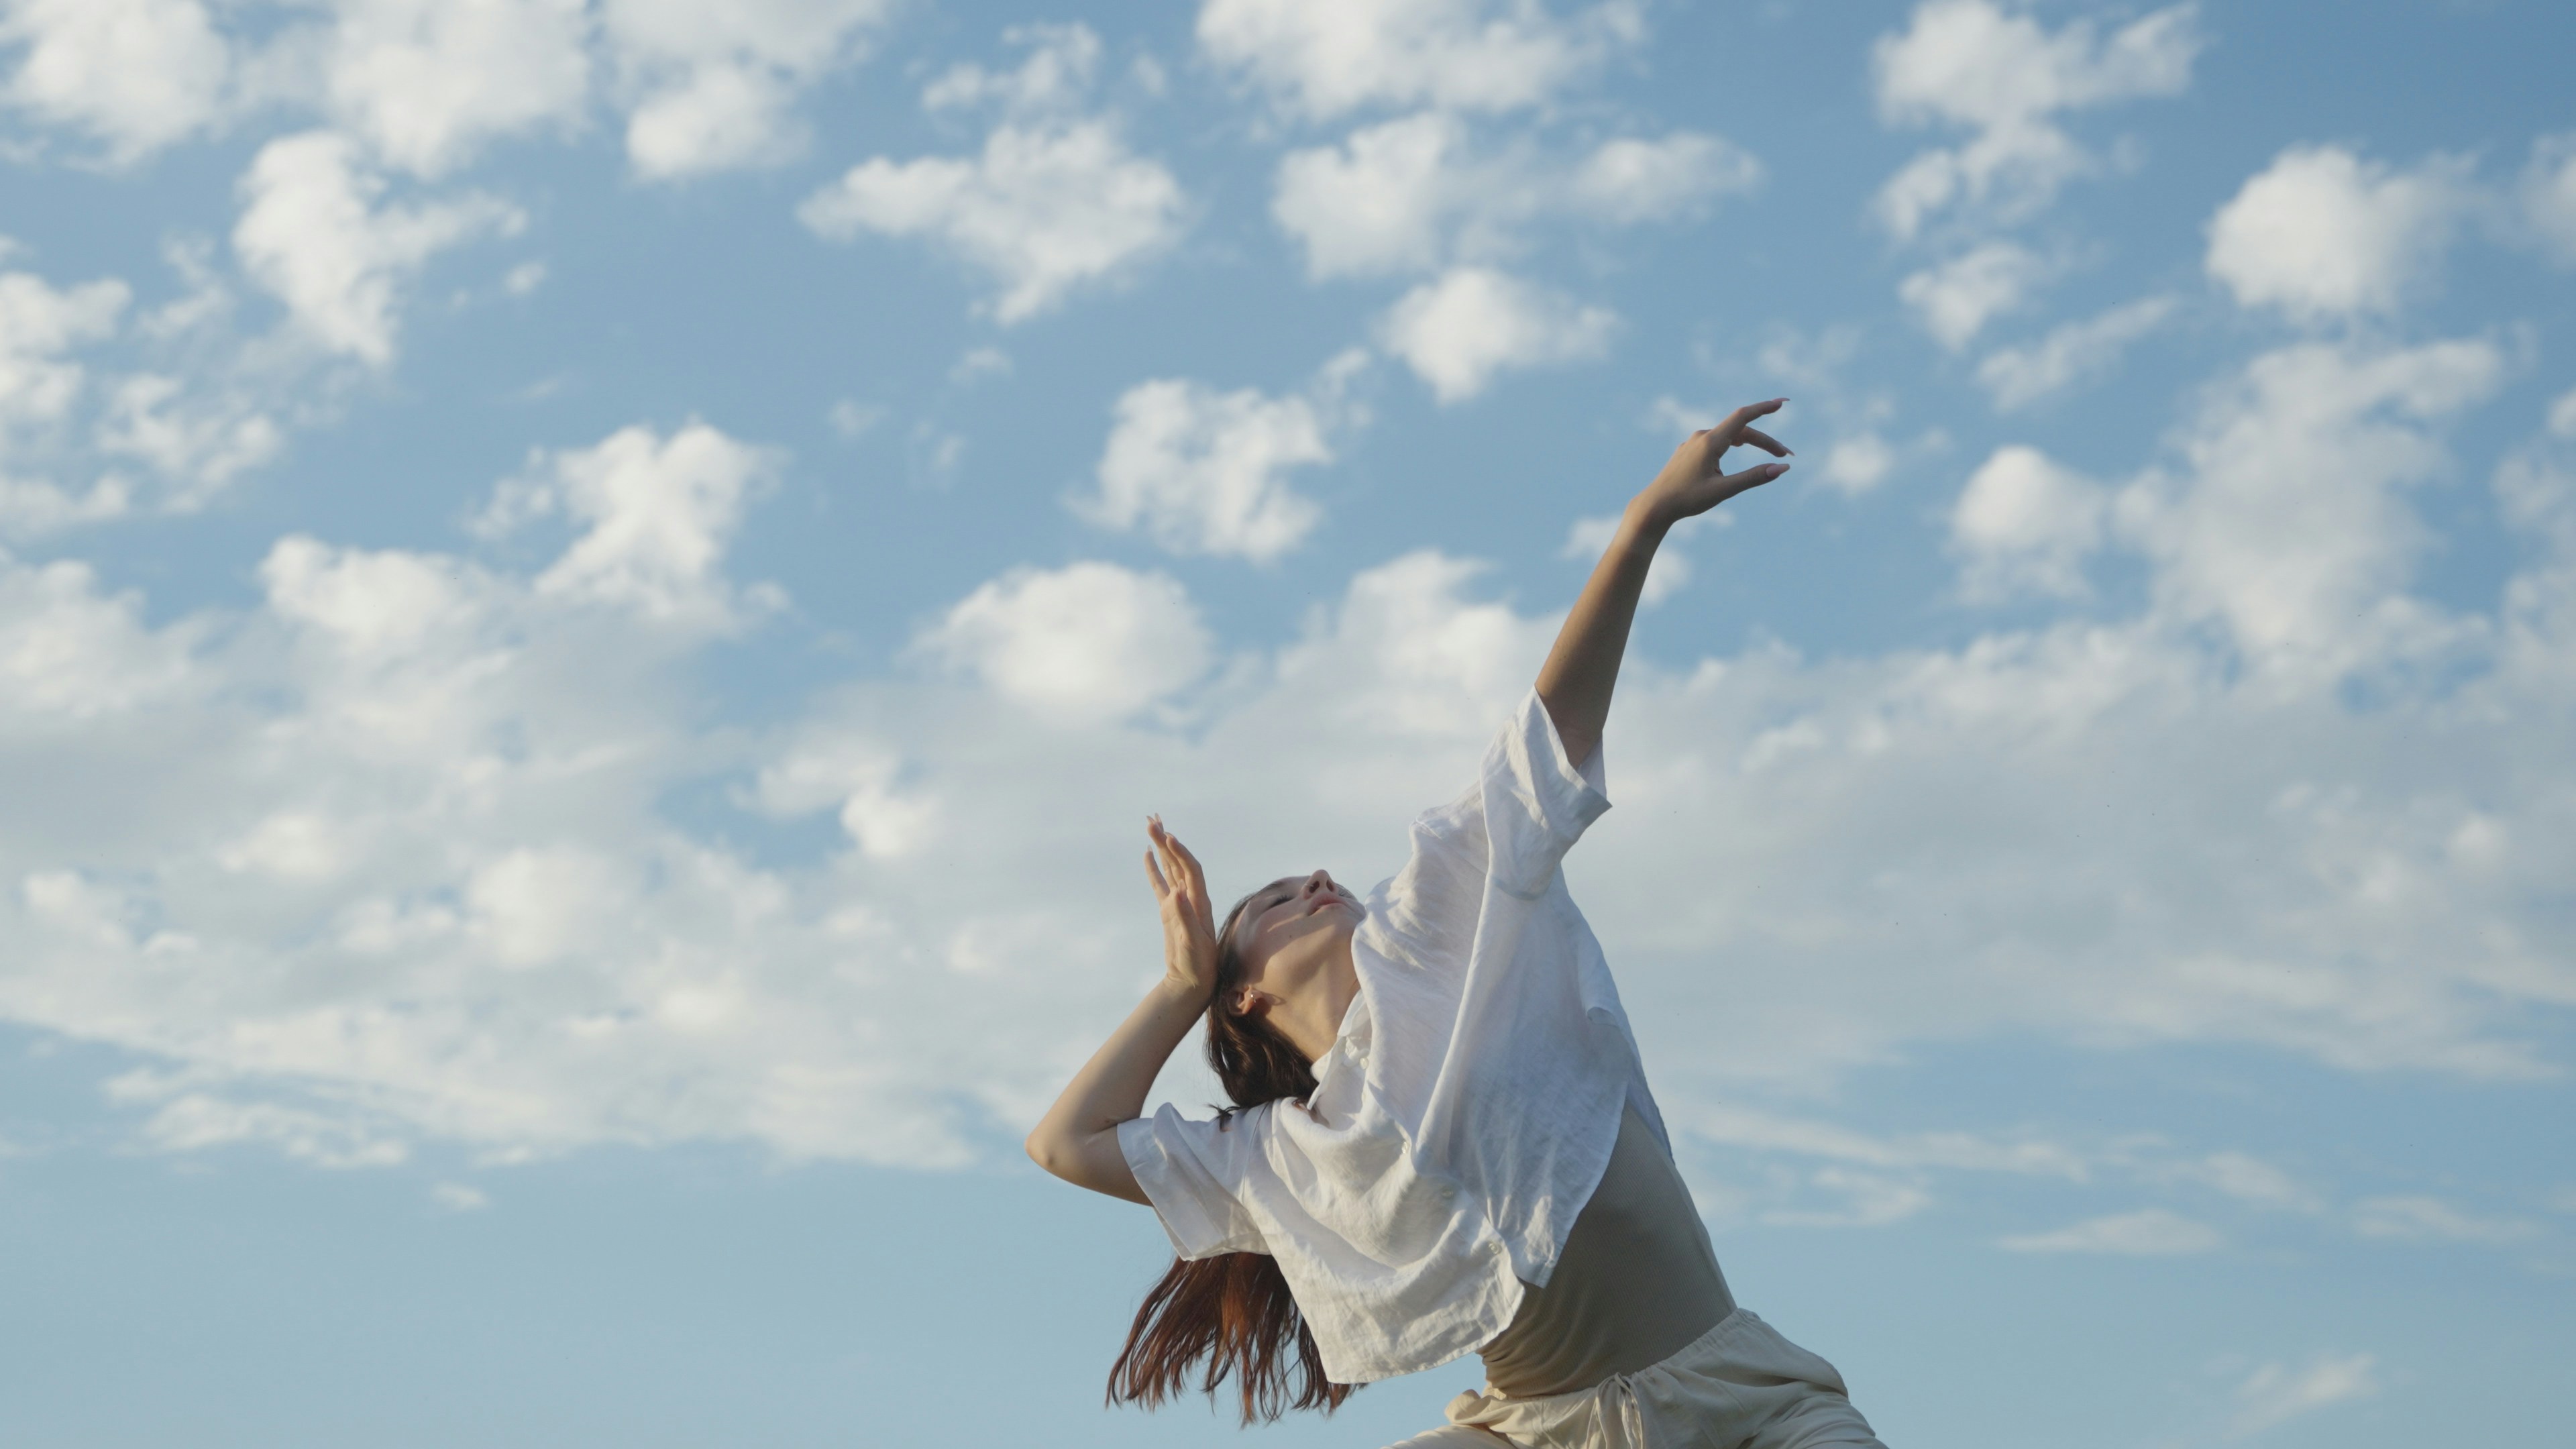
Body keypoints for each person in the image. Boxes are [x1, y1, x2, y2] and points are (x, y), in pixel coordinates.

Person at [1025, 400, 1886, 1449]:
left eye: (1310, 874)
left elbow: (1553, 735)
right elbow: (1066, 1144)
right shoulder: (1280, 1156)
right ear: (1242, 988)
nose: (1319, 879)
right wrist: (1175, 986)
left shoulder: (1455, 921)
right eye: (1275, 900)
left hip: (1744, 1402)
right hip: (1536, 1432)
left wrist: (1640, 527)